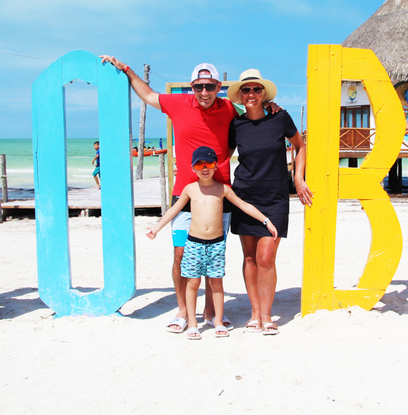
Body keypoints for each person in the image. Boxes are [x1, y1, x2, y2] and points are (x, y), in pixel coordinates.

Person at [98, 56, 270, 332]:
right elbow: (148, 94)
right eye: (199, 86)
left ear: (218, 87)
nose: (204, 92)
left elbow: (254, 111)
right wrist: (127, 70)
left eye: (210, 86)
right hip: (184, 195)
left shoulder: (229, 108)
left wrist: (272, 107)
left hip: (218, 196)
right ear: (192, 86)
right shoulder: (177, 103)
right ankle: (181, 312)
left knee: (214, 257)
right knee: (181, 255)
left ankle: (211, 312)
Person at [146, 146, 277, 340]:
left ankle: (216, 321)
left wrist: (266, 221)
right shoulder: (190, 189)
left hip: (216, 244)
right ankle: (192, 323)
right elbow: (174, 211)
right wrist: (156, 228)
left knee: (216, 283)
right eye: (199, 164)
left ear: (216, 167)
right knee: (193, 283)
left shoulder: (223, 190)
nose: (204, 168)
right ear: (192, 168)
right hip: (193, 243)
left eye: (209, 164)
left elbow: (244, 205)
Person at [227, 69, 312, 335]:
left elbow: (301, 146)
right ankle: (255, 314)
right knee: (250, 257)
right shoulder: (236, 124)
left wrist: (298, 178)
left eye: (256, 89)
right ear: (240, 96)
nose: (251, 94)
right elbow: (223, 156)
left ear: (264, 94)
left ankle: (267, 314)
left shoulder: (280, 117)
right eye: (246, 90)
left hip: (275, 197)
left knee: (266, 257)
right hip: (244, 197)